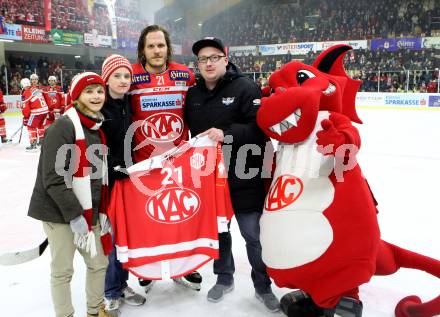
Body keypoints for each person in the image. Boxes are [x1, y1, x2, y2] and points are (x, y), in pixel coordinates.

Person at [184, 37, 280, 312]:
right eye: (203, 59)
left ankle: (263, 286)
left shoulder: (246, 88)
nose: (209, 63)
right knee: (220, 235)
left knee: (254, 236)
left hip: (245, 177)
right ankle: (224, 278)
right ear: (198, 65)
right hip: (211, 181)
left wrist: (225, 135)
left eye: (214, 57)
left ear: (226, 59)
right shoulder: (193, 95)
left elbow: (261, 130)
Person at [28, 72, 111, 317]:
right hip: (58, 211)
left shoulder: (96, 125)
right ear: (76, 96)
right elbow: (53, 179)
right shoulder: (63, 127)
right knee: (63, 270)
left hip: (90, 209)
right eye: (89, 91)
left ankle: (95, 311)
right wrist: (75, 216)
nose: (96, 96)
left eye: (99, 91)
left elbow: (95, 174)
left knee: (99, 264)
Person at [129, 24, 201, 292]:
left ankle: (187, 266)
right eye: (151, 46)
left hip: (179, 160)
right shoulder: (131, 77)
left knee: (183, 216)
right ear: (143, 50)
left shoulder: (184, 74)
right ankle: (150, 268)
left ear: (168, 47)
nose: (157, 51)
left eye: (161, 45)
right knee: (149, 220)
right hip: (144, 163)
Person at [100, 54, 146, 316]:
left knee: (124, 236)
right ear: (106, 78)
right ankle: (111, 291)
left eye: (126, 75)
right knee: (111, 237)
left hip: (126, 178)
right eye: (117, 75)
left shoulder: (127, 103)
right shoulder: (99, 105)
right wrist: (112, 167)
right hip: (106, 181)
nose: (122, 80)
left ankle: (123, 283)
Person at [21, 77, 48, 150]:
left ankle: (33, 143)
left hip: (37, 112)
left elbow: (25, 107)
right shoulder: (35, 89)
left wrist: (26, 117)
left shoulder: (26, 92)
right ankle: (42, 141)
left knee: (30, 126)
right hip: (45, 111)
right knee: (40, 125)